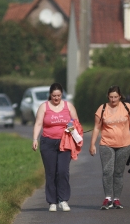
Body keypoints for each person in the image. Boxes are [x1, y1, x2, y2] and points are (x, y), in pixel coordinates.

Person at [89, 85, 130, 210]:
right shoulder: (102, 109)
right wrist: (92, 144)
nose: (113, 100)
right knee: (107, 171)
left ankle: (116, 199)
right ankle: (108, 198)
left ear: (120, 96)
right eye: (111, 97)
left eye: (116, 97)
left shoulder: (127, 107)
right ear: (108, 96)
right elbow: (97, 127)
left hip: (124, 145)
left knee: (118, 172)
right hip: (106, 144)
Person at [32, 83, 79, 212]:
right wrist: (35, 139)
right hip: (48, 143)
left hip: (65, 142)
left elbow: (76, 122)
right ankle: (52, 201)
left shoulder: (68, 106)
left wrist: (71, 126)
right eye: (54, 96)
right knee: (51, 172)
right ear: (50, 95)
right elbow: (38, 123)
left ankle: (63, 200)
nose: (56, 98)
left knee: (63, 171)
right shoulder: (44, 107)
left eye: (58, 95)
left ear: (62, 95)